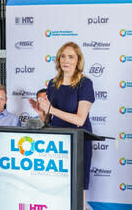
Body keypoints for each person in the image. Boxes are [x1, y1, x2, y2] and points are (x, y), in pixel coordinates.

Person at [37, 42, 95, 208]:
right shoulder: (52, 84)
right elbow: (48, 119)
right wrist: (42, 113)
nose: (66, 60)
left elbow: (80, 120)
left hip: (78, 142)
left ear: (78, 61)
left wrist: (52, 110)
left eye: (71, 57)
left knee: (77, 187)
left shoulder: (85, 83)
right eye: (63, 56)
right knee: (56, 186)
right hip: (57, 143)